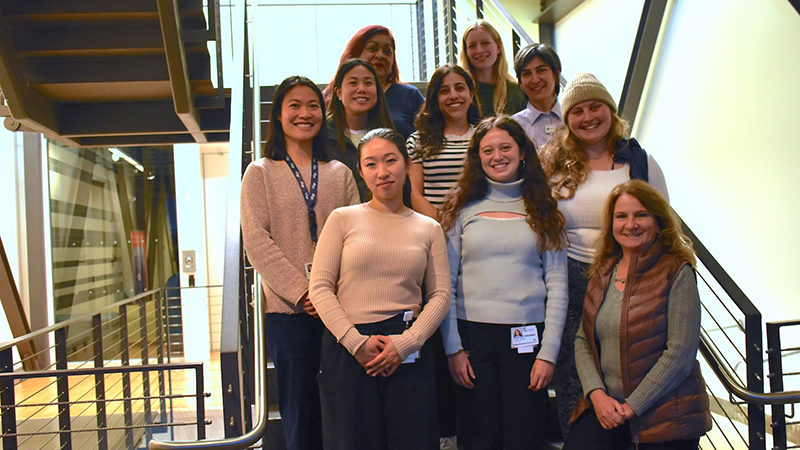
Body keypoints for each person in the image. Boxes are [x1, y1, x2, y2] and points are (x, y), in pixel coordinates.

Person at [539, 72, 669, 436]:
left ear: (611, 112)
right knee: (571, 373)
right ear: (566, 122)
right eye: (577, 111)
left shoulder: (639, 162)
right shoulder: (553, 167)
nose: (587, 117)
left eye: (595, 107)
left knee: (628, 366)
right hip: (570, 280)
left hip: (632, 278)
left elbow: (664, 222)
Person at [310, 128, 451, 450]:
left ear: (406, 164)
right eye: (371, 164)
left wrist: (408, 342)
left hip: (407, 347)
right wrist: (354, 341)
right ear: (361, 171)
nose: (383, 172)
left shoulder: (429, 227)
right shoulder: (342, 219)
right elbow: (319, 287)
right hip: (348, 346)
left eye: (390, 160)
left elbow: (441, 295)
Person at [240, 76, 360, 450]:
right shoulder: (259, 172)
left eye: (312, 105)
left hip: (342, 311)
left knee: (344, 411)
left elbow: (357, 236)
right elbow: (257, 242)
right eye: (294, 105)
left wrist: (330, 294)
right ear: (278, 114)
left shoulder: (340, 173)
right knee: (300, 413)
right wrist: (303, 292)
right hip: (289, 313)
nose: (304, 113)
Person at [438, 116, 568, 450]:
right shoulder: (461, 208)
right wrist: (453, 348)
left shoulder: (543, 209)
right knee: (479, 435)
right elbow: (445, 285)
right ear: (477, 158)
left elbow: (557, 286)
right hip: (473, 339)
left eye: (505, 147)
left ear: (522, 151)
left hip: (527, 341)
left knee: (524, 436)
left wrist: (548, 354)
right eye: (488, 150)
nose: (497, 156)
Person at [564, 180, 711, 450]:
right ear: (612, 224)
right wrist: (596, 395)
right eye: (621, 216)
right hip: (607, 406)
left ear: (658, 221)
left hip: (665, 414)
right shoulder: (602, 271)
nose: (630, 224)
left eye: (640, 215)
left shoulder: (678, 272)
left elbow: (679, 355)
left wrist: (632, 406)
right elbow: (584, 341)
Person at [407, 64, 481, 219]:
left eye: (459, 88)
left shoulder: (484, 138)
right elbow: (415, 195)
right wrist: (445, 226)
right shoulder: (418, 141)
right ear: (435, 99)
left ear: (471, 95)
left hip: (478, 227)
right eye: (444, 91)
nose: (453, 95)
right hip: (436, 228)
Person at [324, 25, 424, 139]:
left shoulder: (409, 95)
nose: (380, 55)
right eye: (372, 49)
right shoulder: (327, 97)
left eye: (387, 51)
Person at [327, 58, 395, 201]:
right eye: (353, 83)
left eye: (368, 83)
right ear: (338, 92)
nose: (361, 89)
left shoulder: (389, 135)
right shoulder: (323, 136)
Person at [459, 20, 527, 118]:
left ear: (498, 47)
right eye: (472, 46)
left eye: (485, 43)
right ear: (466, 51)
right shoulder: (461, 93)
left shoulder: (517, 93)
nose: (479, 50)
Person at [511, 42, 563, 150]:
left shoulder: (573, 119)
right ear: (520, 82)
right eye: (527, 74)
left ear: (556, 73)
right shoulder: (513, 126)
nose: (535, 80)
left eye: (541, 70)